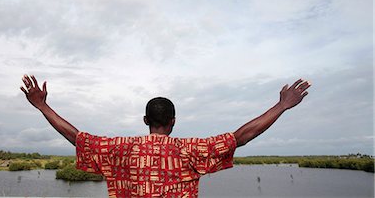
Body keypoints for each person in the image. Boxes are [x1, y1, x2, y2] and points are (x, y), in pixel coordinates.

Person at [20, 75, 311, 198]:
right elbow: (242, 136)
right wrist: (283, 105)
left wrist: (43, 106)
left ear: (146, 120)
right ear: (173, 122)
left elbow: (76, 137)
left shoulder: (121, 149)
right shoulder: (190, 150)